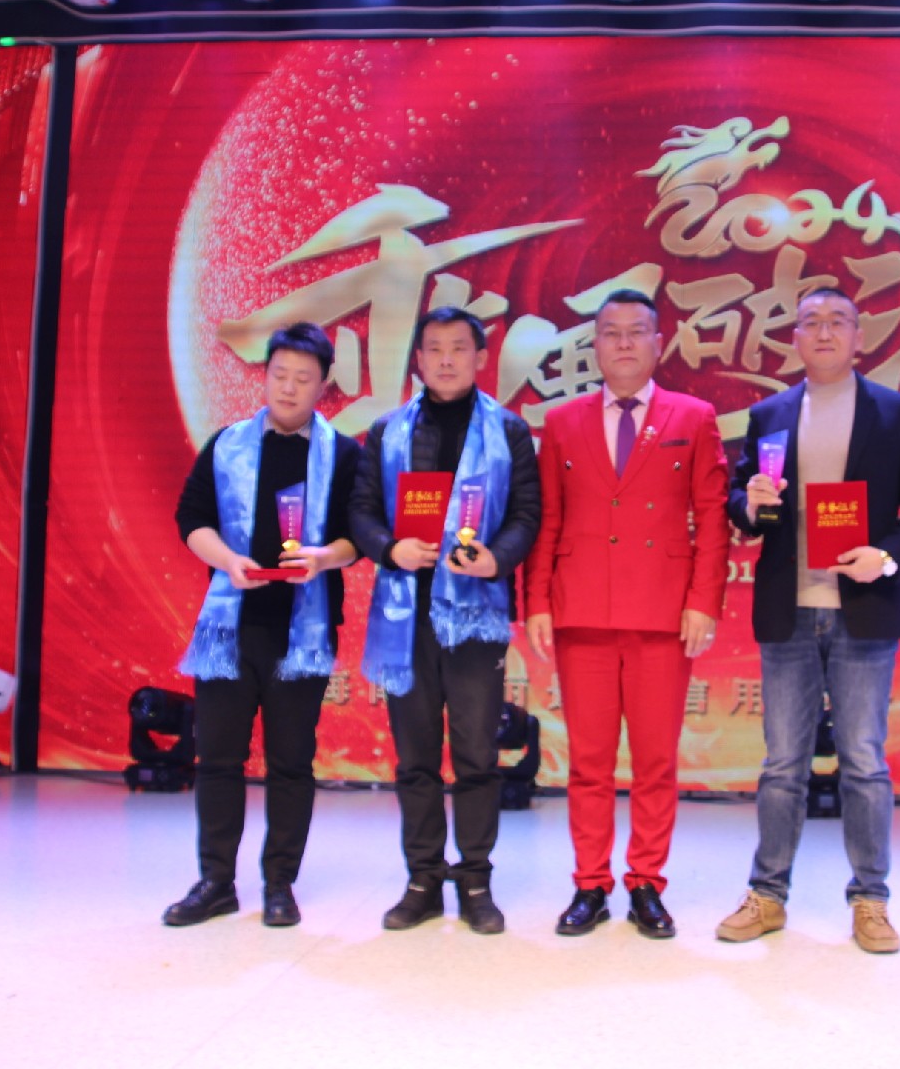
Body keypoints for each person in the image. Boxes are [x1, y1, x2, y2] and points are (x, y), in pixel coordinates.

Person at [715, 286, 900, 954]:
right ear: (793, 338)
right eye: (810, 322)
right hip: (789, 610)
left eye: (837, 321)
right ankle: (767, 895)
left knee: (864, 762)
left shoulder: (896, 412)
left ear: (858, 337)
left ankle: (871, 899)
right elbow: (743, 499)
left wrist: (888, 556)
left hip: (863, 610)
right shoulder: (770, 414)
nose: (823, 332)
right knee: (782, 763)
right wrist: (749, 502)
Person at [524, 289, 730, 939]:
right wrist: (536, 602)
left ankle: (646, 882)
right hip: (582, 609)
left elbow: (713, 518)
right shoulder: (563, 422)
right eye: (610, 332)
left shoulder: (693, 417)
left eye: (636, 331)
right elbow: (548, 518)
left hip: (662, 613)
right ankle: (590, 883)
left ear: (658, 343)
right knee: (588, 761)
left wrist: (703, 602)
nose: (622, 343)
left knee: (655, 761)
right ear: (594, 344)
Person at [163, 322, 363, 929]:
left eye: (303, 379)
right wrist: (228, 560)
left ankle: (280, 883)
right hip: (231, 628)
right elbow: (191, 518)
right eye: (280, 375)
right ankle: (215, 881)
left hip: (303, 632)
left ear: (323, 386)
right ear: (265, 374)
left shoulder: (344, 455)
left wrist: (324, 557)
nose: (289, 388)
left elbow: (360, 535)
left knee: (291, 761)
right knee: (218, 758)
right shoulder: (227, 445)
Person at [350, 306, 540, 935]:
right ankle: (423, 879)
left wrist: (497, 558)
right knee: (415, 757)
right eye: (434, 348)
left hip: (476, 616)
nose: (447, 359)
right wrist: (390, 548)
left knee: (477, 754)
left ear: (481, 358)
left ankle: (476, 879)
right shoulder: (387, 431)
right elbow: (361, 512)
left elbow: (527, 515)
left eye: (460, 347)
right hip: (406, 614)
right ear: (419, 360)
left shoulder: (509, 431)